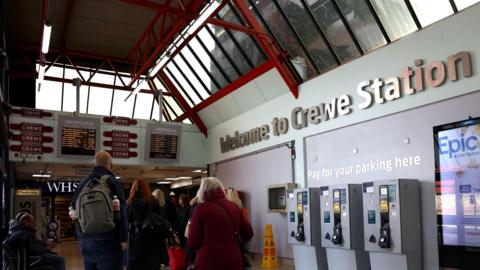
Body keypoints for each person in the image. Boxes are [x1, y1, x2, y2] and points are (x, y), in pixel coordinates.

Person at [70, 151, 128, 270]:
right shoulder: (112, 181)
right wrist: (123, 238)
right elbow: (121, 211)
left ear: (93, 164)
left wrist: (80, 236)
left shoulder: (84, 183)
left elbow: (73, 209)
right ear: (111, 165)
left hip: (87, 242)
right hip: (109, 241)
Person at [188, 177, 254, 270]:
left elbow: (193, 242)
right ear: (221, 189)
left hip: (209, 260)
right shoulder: (234, 207)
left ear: (202, 190)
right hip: (233, 259)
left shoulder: (200, 209)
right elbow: (248, 233)